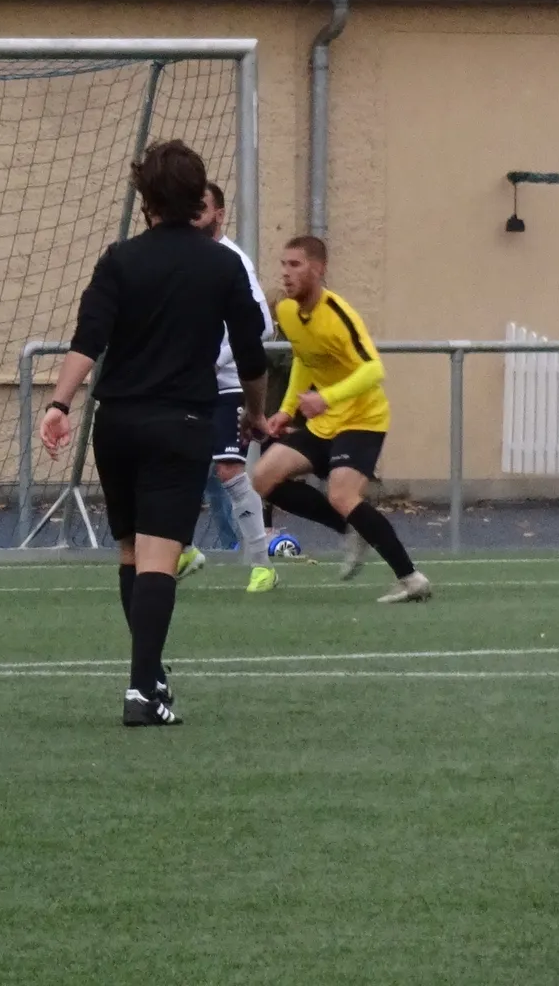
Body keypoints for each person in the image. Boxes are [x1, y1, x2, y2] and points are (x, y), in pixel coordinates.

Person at [40, 141, 269, 727]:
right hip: (181, 423)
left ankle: (152, 676)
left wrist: (60, 403)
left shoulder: (119, 259)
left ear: (146, 199)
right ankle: (143, 689)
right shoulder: (222, 265)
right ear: (199, 198)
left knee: (131, 552)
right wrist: (256, 413)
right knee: (160, 558)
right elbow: (251, 356)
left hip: (116, 424)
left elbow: (88, 339)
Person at [248, 236, 431, 603]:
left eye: (295, 265)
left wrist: (325, 397)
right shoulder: (287, 312)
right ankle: (350, 527)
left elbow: (374, 370)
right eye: (283, 264)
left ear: (319, 269)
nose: (286, 273)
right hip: (324, 421)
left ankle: (411, 579)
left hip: (362, 419)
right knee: (262, 479)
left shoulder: (338, 315)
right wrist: (286, 410)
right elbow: (305, 360)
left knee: (341, 493)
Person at [175, 181, 279, 592]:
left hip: (229, 382)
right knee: (175, 461)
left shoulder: (233, 261)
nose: (194, 215)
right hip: (191, 383)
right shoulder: (187, 260)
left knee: (228, 468)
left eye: (201, 207)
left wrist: (216, 359)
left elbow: (262, 325)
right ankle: (185, 549)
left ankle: (262, 565)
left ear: (218, 214)